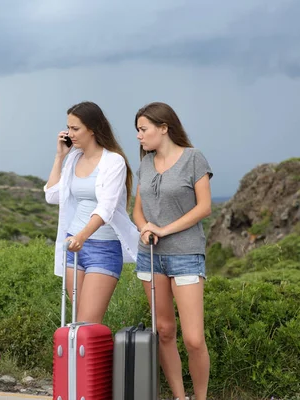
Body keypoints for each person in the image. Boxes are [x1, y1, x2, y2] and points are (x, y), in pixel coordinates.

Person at [132, 102, 213, 400]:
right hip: (151, 257)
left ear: (164, 127)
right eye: (137, 131)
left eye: (143, 129)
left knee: (193, 339)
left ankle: (201, 397)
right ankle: (180, 397)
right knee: (164, 331)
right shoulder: (145, 164)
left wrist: (164, 229)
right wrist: (144, 228)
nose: (139, 136)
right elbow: (137, 211)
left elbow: (204, 207)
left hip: (186, 256)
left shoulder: (193, 158)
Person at [44, 101, 139, 324]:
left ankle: (100, 359)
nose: (70, 134)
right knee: (77, 323)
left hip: (102, 248)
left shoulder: (113, 161)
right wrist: (60, 157)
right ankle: (80, 361)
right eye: (68, 128)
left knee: (88, 325)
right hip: (73, 246)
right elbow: (52, 195)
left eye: (75, 129)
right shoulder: (73, 159)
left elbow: (105, 208)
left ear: (93, 129)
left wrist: (82, 236)